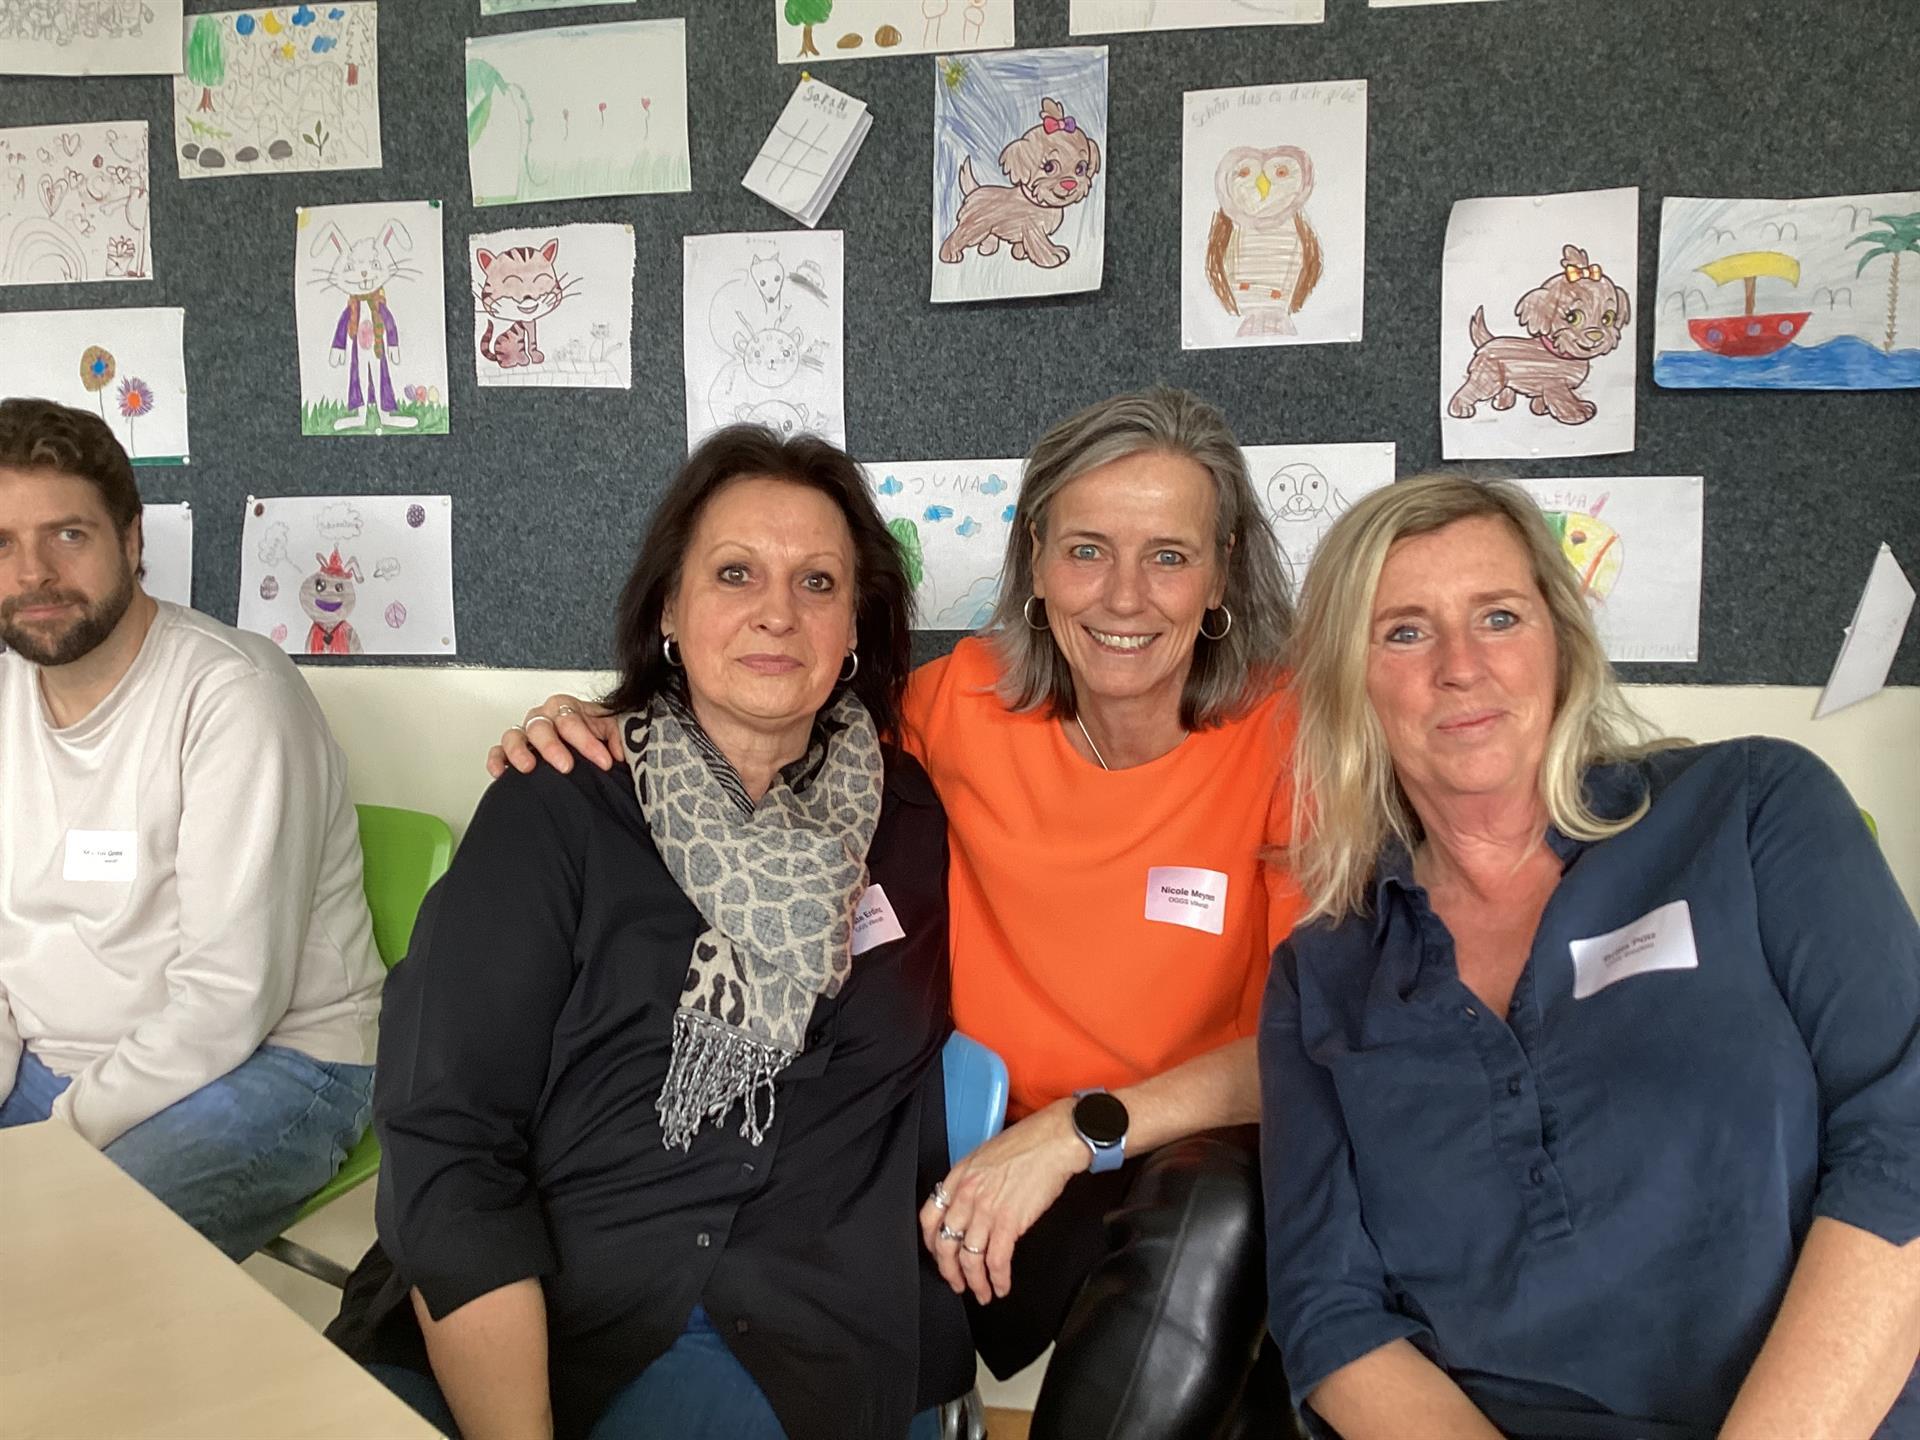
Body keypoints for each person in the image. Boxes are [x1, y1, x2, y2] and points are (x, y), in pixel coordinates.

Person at [494, 389, 1304, 1437]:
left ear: (1223, 570)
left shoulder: (1294, 736)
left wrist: (1077, 1132)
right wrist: (613, 726)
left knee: (1215, 1219)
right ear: (1035, 559)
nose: (1124, 596)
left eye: (1169, 556)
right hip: (964, 1146)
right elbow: (769, 728)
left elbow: (1310, 1041)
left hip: (1175, 1147)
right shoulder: (960, 702)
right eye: (1086, 550)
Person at [329, 426, 963, 1440]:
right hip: (532, 1295)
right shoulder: (560, 801)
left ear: (857, 624)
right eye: (734, 573)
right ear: (670, 607)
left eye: (817, 582)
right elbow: (448, 1133)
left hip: (806, 1330)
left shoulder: (914, 819)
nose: (776, 612)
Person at [1261, 472, 1920, 1440]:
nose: (1460, 667)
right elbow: (1330, 1313)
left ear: (1561, 641)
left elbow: (1902, 1141)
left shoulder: (1752, 810)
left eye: (1498, 617)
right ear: (1345, 682)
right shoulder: (1324, 972)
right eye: (1402, 632)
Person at [0, 397, 382, 1260]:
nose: (33, 575)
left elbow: (227, 999)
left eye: (68, 535)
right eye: (2, 544)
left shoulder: (235, 696)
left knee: (63, 1260)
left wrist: (53, 1146)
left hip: (272, 1062)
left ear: (132, 540)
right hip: (54, 1066)